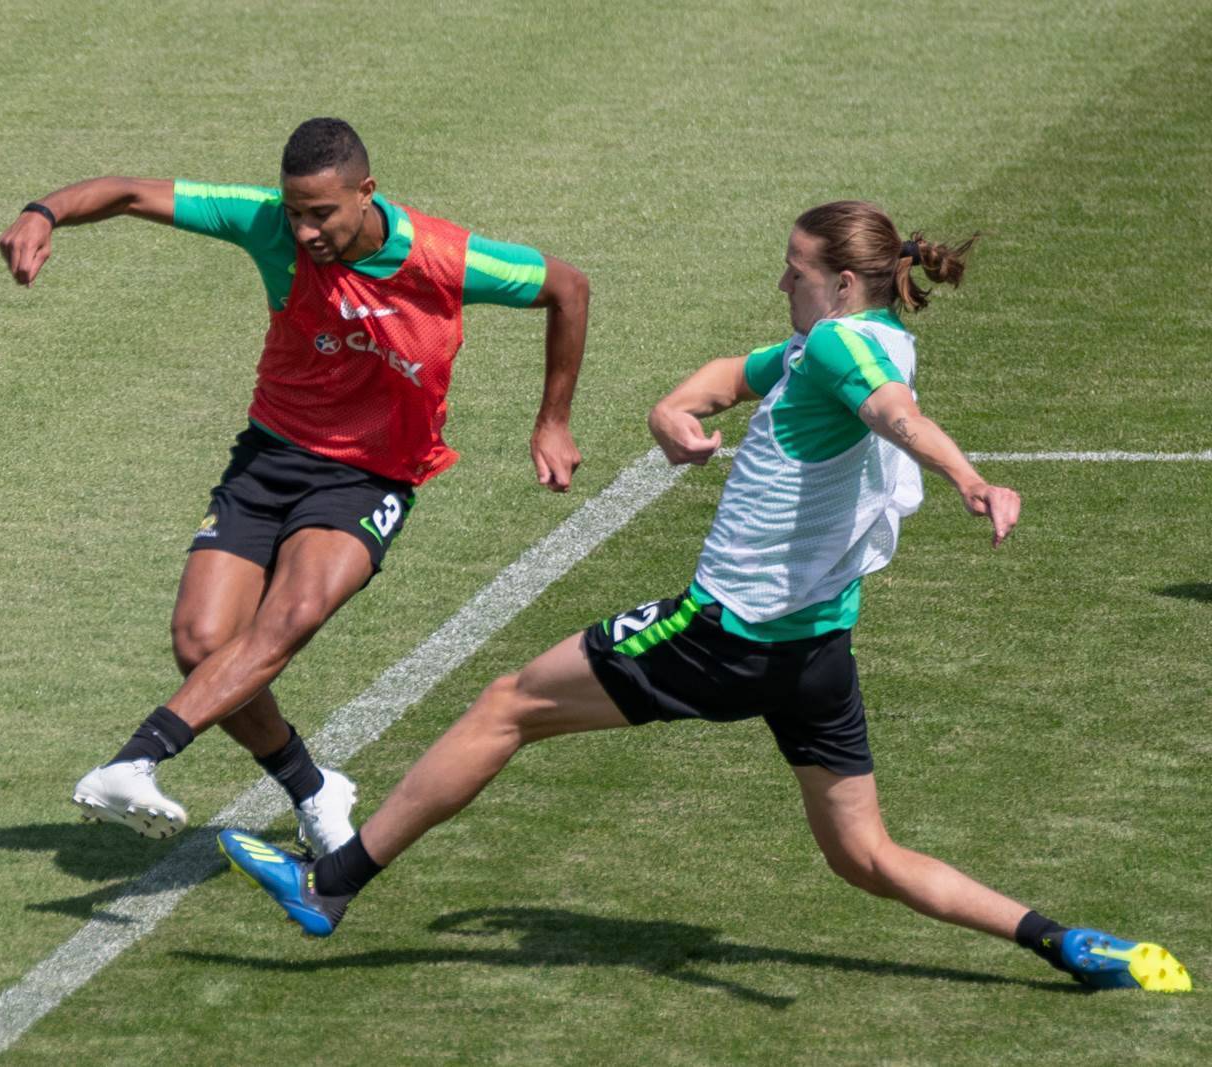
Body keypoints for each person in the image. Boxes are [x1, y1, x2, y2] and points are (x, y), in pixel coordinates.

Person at [220, 200, 1191, 993]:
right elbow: (736, 374)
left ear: (840, 284)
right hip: (815, 651)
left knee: (506, 704)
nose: (780, 283)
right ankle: (1066, 942)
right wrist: (670, 409)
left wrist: (970, 478)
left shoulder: (841, 352)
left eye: (793, 270)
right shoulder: (862, 340)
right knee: (864, 855)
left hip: (727, 631)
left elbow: (895, 415)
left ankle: (330, 883)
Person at [0, 118, 588, 856]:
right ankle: (314, 790)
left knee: (292, 612)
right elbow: (128, 193)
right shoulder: (267, 224)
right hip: (270, 456)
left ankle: (135, 759)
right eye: (295, 211)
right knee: (202, 644)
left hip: (369, 475)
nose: (305, 231)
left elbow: (567, 286)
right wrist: (44, 211)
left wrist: (552, 421)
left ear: (366, 192)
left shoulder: (443, 257)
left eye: (322, 214)